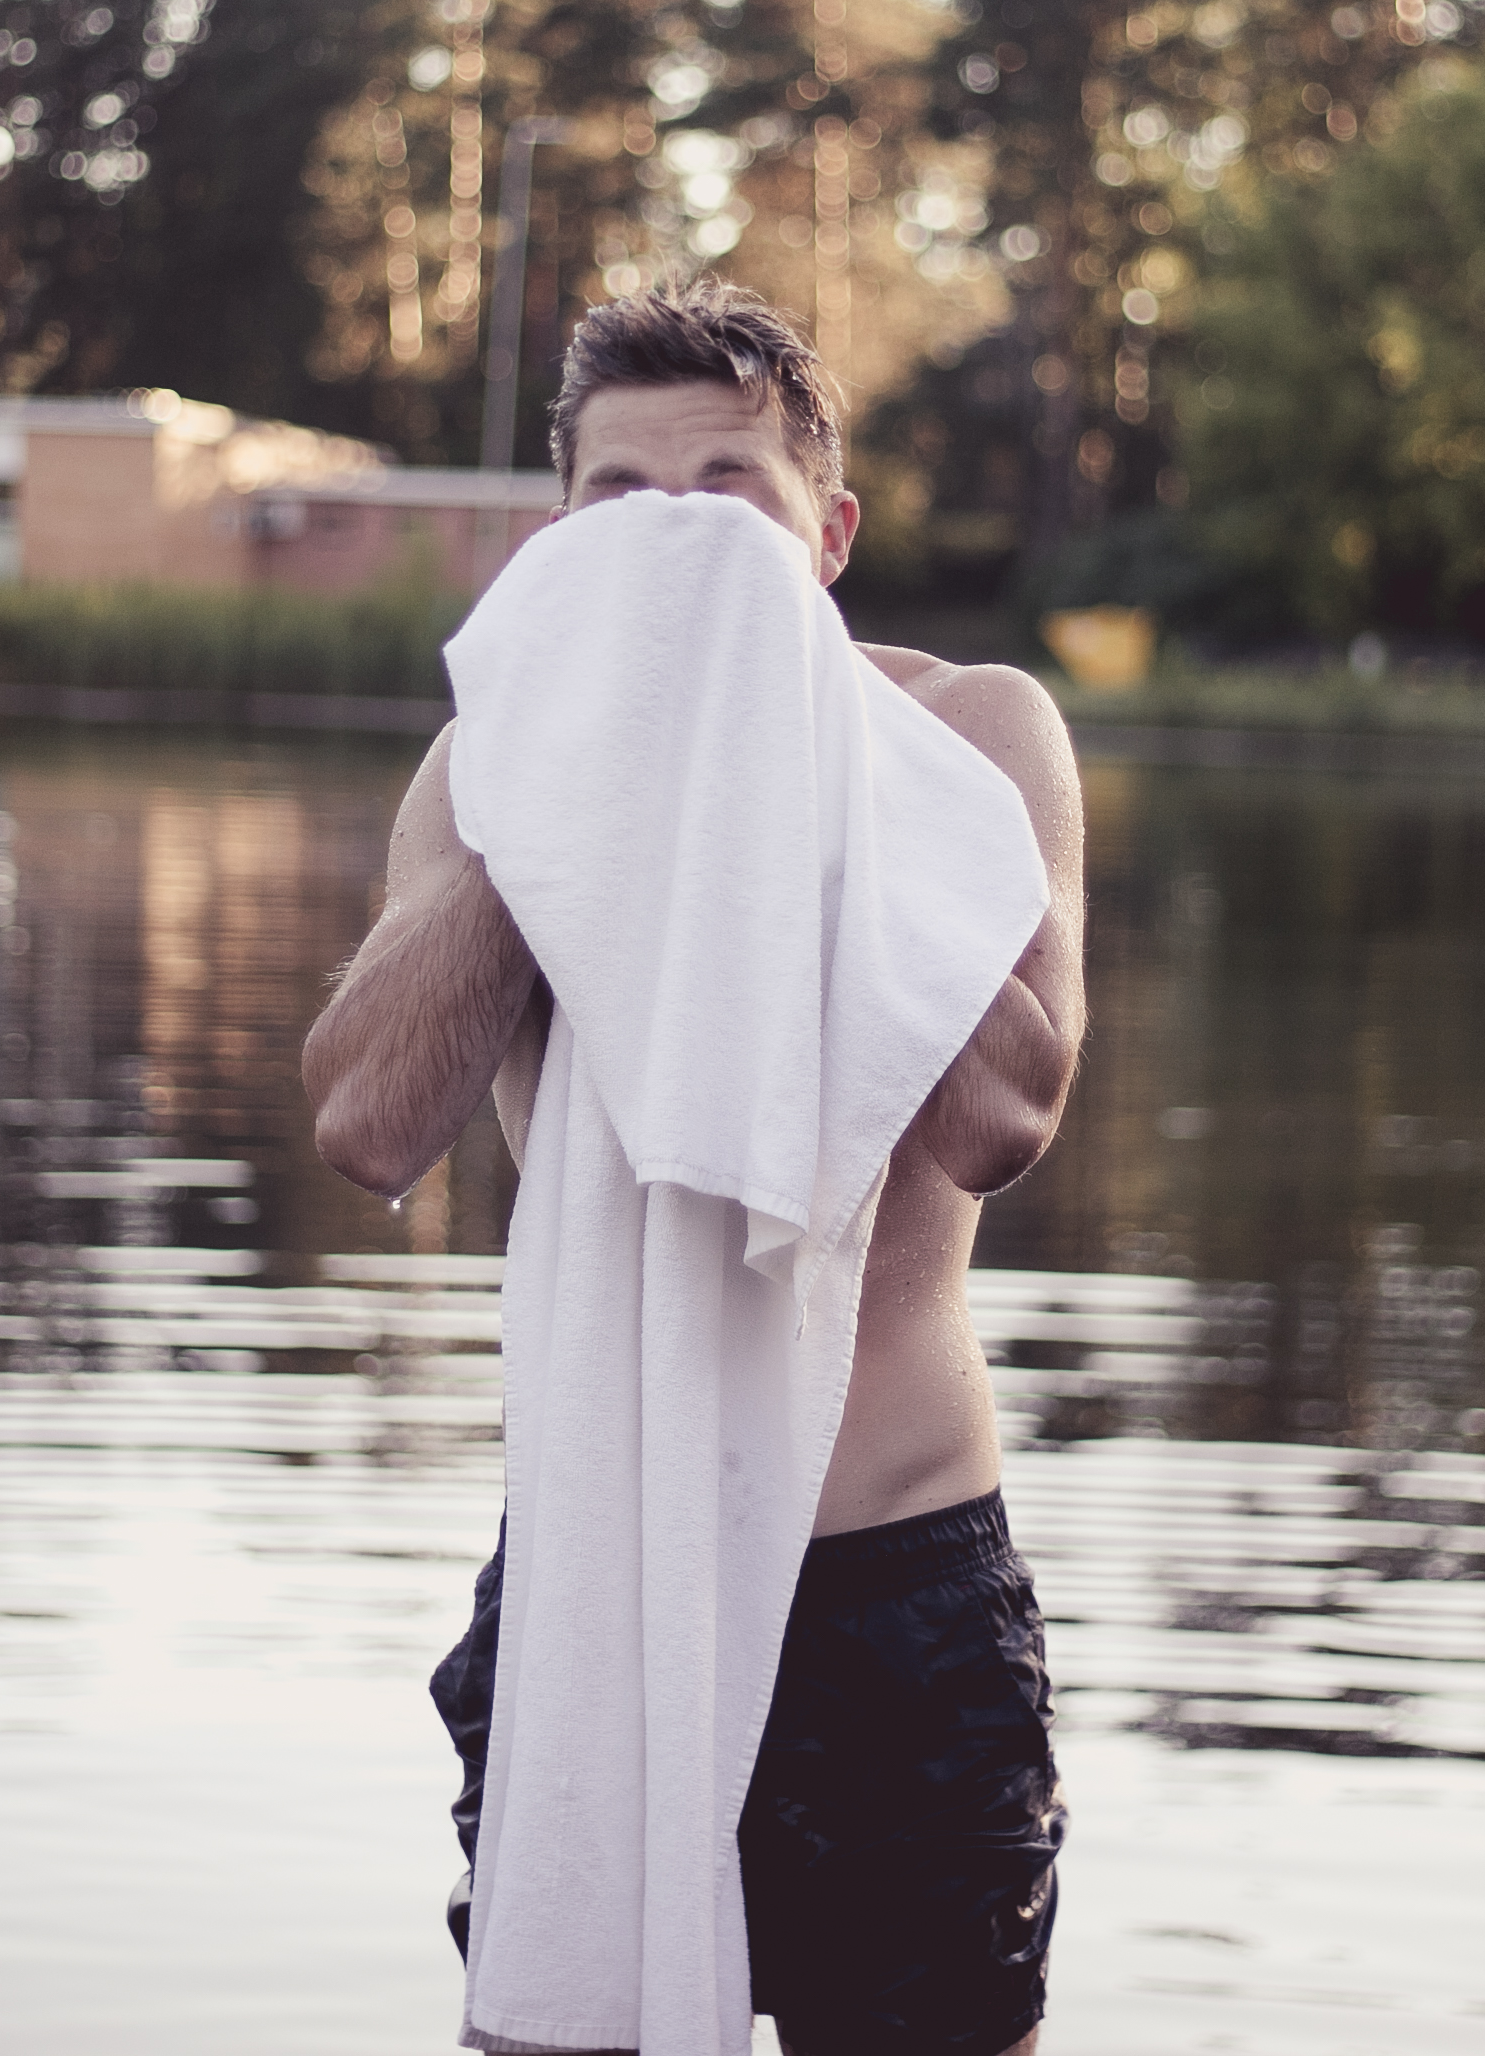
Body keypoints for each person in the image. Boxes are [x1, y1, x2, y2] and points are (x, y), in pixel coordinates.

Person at [305, 278, 1086, 2056]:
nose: (675, 547)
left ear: (830, 532)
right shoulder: (482, 767)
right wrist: (575, 790)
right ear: (557, 542)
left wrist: (781, 755)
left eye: (725, 499)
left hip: (888, 1590)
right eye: (622, 512)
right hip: (594, 1576)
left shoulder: (969, 731)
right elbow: (366, 1131)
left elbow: (1000, 1124)